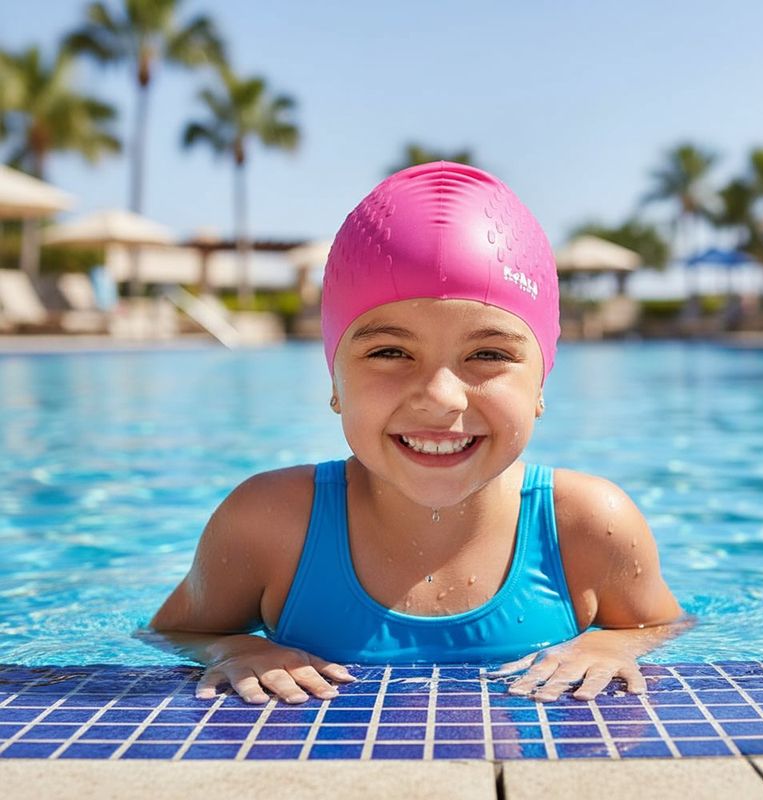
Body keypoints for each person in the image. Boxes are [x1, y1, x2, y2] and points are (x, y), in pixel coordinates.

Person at [150, 161, 684, 705]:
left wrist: (615, 648)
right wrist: (237, 650)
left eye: (489, 354)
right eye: (389, 352)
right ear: (334, 381)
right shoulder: (269, 524)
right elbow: (174, 632)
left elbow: (662, 627)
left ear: (541, 383)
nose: (441, 397)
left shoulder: (588, 527)